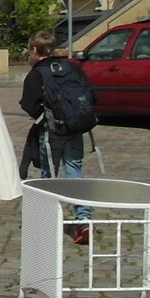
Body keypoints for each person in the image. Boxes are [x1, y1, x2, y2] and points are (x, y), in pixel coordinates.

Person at [20, 31, 93, 243]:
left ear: (34, 50)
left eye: (29, 50)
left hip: (50, 132)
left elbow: (28, 104)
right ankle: (83, 218)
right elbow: (90, 95)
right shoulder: (72, 67)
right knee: (74, 170)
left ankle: (46, 218)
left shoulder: (37, 73)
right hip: (75, 128)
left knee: (48, 175)